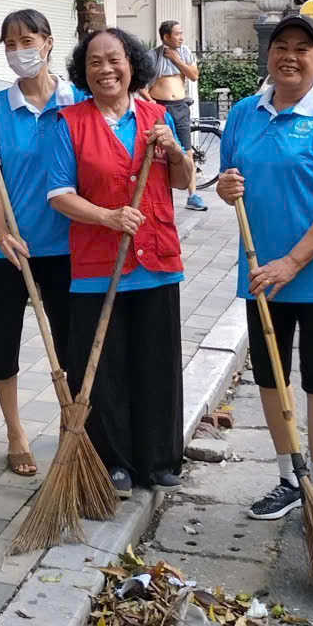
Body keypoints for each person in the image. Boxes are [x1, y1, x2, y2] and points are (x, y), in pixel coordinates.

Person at [215, 14, 313, 526]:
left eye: (303, 48)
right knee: (270, 377)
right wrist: (226, 188)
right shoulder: (244, 114)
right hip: (261, 274)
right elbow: (230, 179)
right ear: (269, 54)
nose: (291, 56)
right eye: (282, 46)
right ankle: (289, 479)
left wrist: (292, 262)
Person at [49, 28, 192, 498]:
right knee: (104, 369)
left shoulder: (157, 116)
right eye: (94, 62)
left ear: (132, 64)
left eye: (115, 59)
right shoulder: (69, 122)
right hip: (98, 266)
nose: (105, 69)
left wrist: (175, 150)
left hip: (157, 260)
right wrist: (107, 217)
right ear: (83, 71)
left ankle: (160, 459)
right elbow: (60, 195)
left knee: (157, 362)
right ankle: (114, 462)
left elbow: (183, 180)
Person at [0, 9, 84, 476]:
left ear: (48, 42)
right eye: (10, 43)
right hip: (7, 248)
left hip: (66, 245)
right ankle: (16, 432)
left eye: (28, 40)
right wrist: (3, 231)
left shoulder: (77, 101)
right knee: (2, 343)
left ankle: (68, 428)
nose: (19, 50)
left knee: (69, 344)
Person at [146, 21, 206, 211]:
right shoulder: (153, 55)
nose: (181, 37)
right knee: (159, 152)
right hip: (160, 107)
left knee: (187, 151)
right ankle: (160, 194)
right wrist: (151, 102)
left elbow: (194, 75)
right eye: (177, 34)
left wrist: (176, 59)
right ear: (166, 36)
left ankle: (193, 195)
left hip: (180, 107)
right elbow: (140, 85)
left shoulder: (185, 52)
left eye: (182, 33)